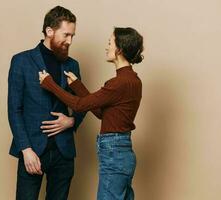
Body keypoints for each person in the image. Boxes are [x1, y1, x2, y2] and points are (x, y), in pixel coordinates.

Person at [39, 27, 144, 200]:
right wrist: (78, 86)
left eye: (110, 43)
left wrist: (49, 83)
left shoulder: (118, 83)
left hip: (114, 152)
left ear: (119, 49)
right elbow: (102, 113)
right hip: (124, 151)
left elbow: (79, 106)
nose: (106, 47)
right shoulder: (134, 80)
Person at [8, 6, 86, 200]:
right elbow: (14, 109)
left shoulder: (72, 64)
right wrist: (25, 150)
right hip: (32, 149)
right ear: (49, 31)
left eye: (72, 36)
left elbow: (83, 102)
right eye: (66, 34)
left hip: (64, 153)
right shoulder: (21, 61)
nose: (70, 41)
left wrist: (72, 121)